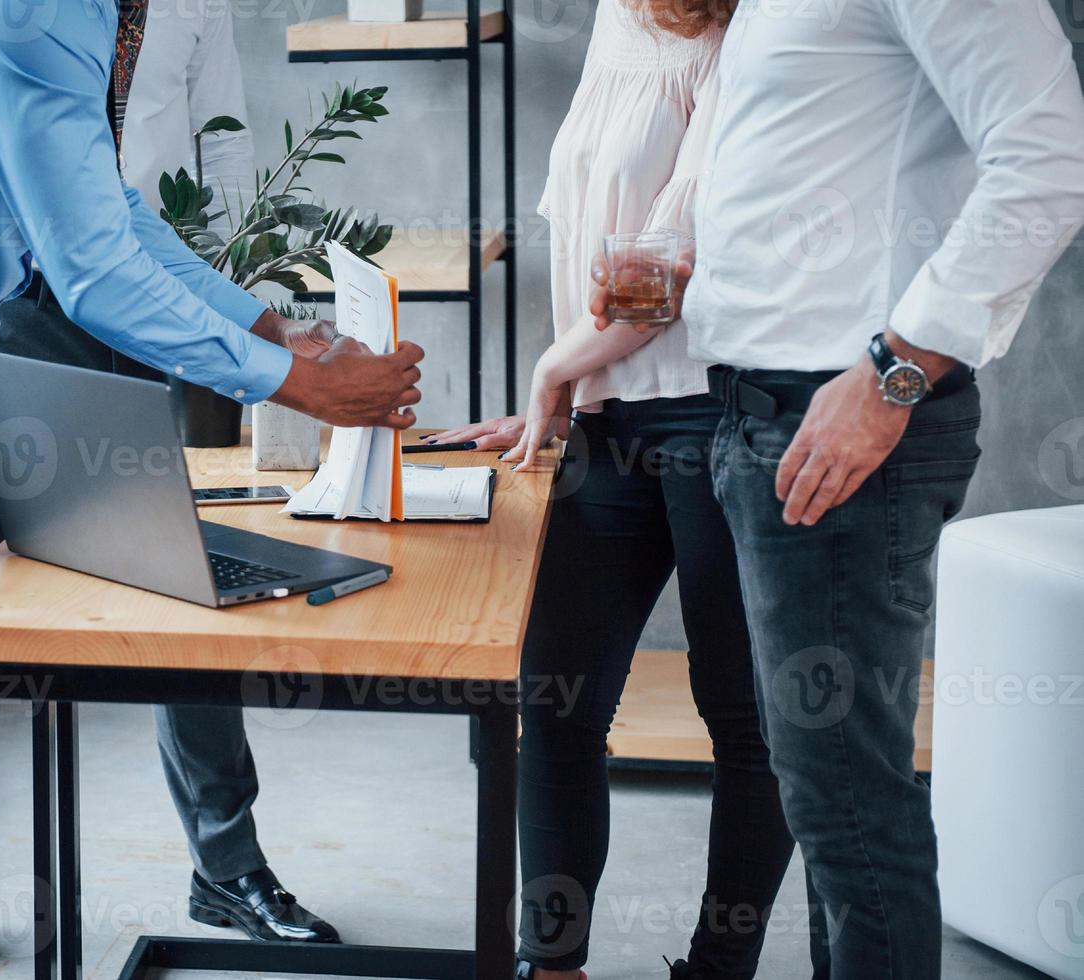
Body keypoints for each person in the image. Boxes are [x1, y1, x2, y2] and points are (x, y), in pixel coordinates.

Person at [0, 0, 422, 976]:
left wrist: (266, 332)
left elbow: (114, 210)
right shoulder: (27, 8)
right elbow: (90, 272)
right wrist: (298, 382)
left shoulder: (84, 10)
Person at [669, 1, 1084, 977]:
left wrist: (894, 373)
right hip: (756, 415)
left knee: (846, 801)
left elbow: (1049, 159)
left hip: (844, 424)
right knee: (821, 797)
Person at [0, 0, 340, 955]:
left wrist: (248, 313)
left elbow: (222, 149)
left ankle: (227, 867)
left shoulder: (193, 7)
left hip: (142, 296)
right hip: (5, 309)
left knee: (182, 595)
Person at [432, 2, 794, 976]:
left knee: (747, 726)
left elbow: (677, 252)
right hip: (604, 421)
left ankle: (716, 970)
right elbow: (596, 241)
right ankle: (552, 965)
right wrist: (561, 397)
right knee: (555, 706)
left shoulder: (749, 35)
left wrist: (555, 374)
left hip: (719, 412)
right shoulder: (614, 18)